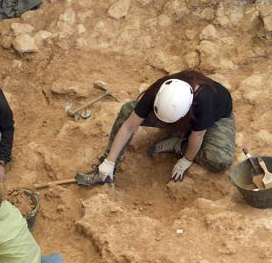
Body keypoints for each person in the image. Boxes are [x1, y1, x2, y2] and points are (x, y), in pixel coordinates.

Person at [76, 70, 235, 185]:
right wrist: (109, 162)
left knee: (219, 159)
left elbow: (197, 136)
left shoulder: (204, 100)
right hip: (174, 116)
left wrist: (187, 160)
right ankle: (104, 169)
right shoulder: (160, 90)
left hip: (216, 118)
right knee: (127, 111)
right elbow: (129, 126)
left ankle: (178, 144)